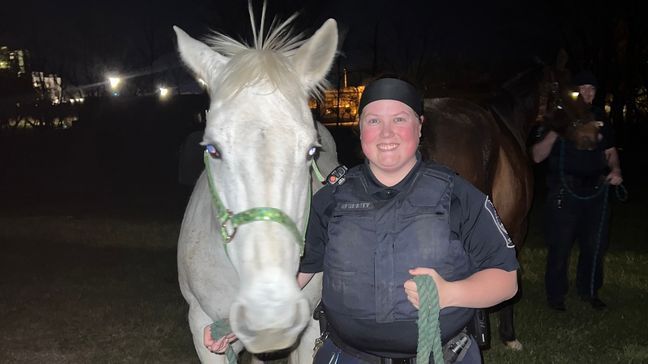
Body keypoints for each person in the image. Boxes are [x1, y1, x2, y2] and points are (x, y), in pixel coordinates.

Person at [297, 77, 519, 364]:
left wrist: (450, 293)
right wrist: (242, 322)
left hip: (441, 355)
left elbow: (506, 281)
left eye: (399, 119)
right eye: (374, 121)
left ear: (420, 125)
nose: (386, 133)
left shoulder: (459, 196)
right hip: (344, 355)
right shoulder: (331, 198)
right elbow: (303, 271)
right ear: (360, 128)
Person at [531, 70, 623, 311]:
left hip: (596, 191)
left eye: (591, 89)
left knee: (595, 246)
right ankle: (556, 296)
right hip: (564, 192)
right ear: (574, 92)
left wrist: (615, 170)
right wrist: (556, 131)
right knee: (560, 246)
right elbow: (537, 156)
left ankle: (589, 291)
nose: (587, 93)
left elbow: (611, 151)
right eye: (582, 88)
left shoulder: (601, 116)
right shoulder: (556, 117)